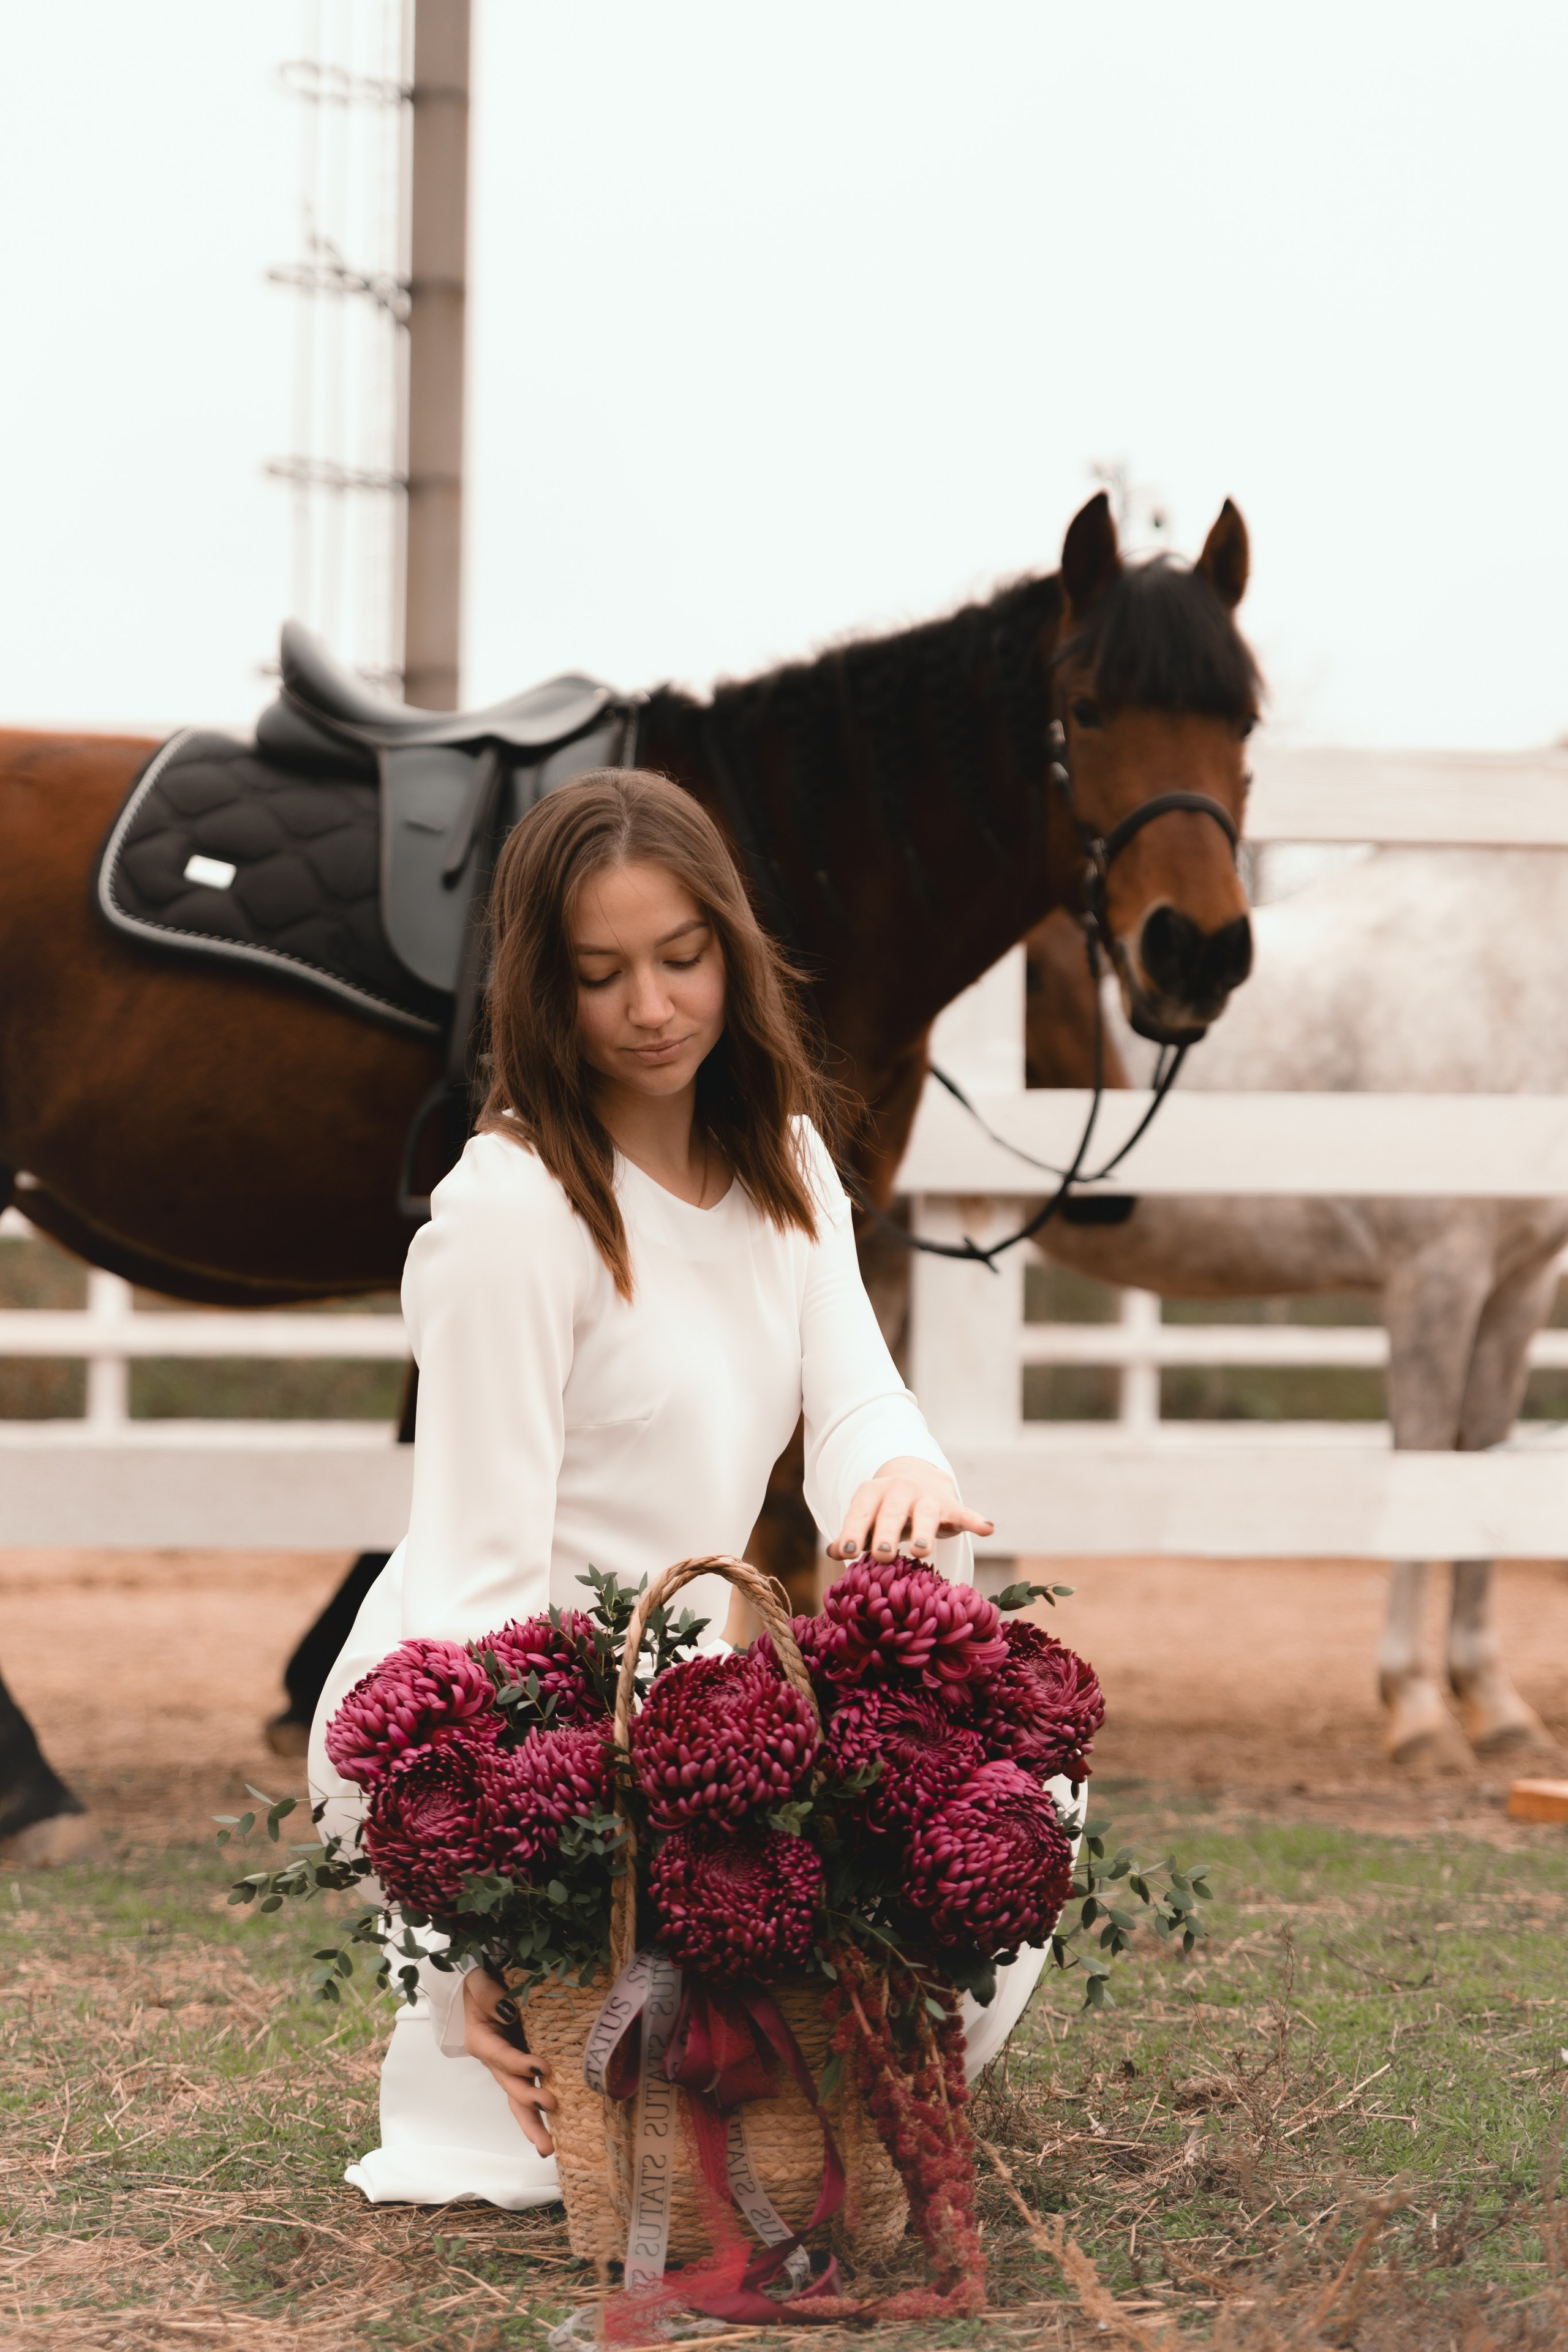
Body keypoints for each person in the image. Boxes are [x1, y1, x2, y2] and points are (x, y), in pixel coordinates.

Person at [308, 769, 1047, 2211]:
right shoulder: (510, 1214)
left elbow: (852, 1392)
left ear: (733, 949)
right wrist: (474, 1929)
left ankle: (790, 2092)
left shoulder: (783, 1158)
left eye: (681, 957)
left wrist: (894, 1465)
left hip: (700, 1711)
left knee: (1012, 1786)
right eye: (600, 975)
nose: (650, 1006)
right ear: (542, 986)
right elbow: (473, 1574)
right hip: (501, 1719)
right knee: (634, 2092)